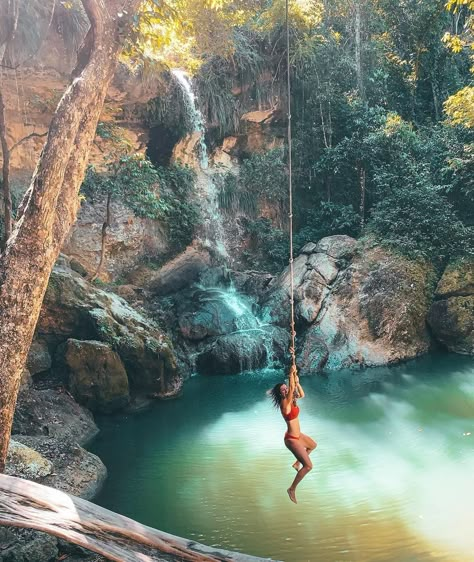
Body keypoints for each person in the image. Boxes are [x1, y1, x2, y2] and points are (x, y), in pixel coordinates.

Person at [269, 364, 317, 504]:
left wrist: (296, 382)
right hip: (291, 439)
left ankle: (297, 463)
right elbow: (290, 391)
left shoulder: (292, 400)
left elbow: (302, 394)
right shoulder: (285, 403)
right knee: (308, 466)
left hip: (298, 435)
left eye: (285, 387)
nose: (285, 389)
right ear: (280, 393)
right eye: (282, 389)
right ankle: (292, 489)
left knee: (313, 445)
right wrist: (291, 373)